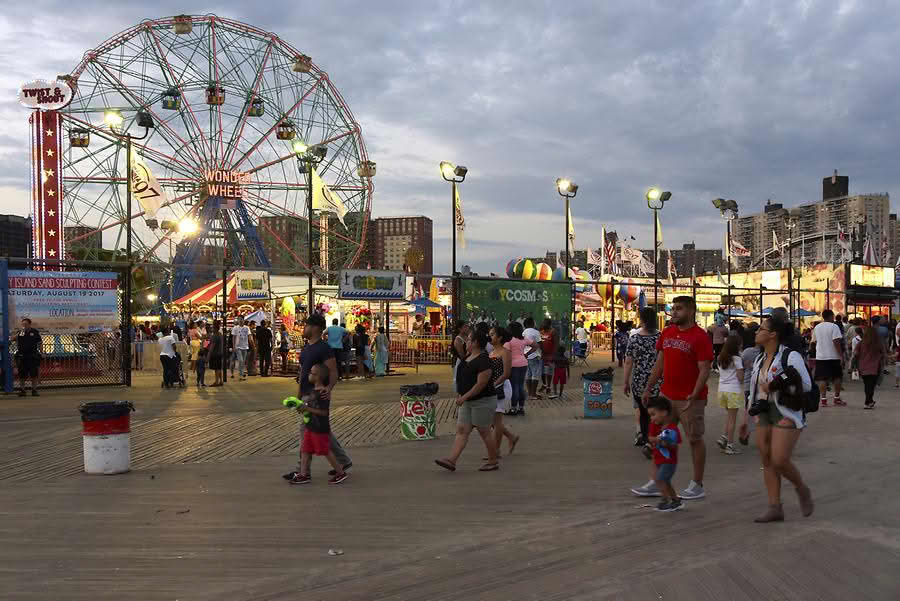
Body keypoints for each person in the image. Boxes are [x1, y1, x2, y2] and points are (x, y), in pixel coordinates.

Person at [636, 296, 713, 501]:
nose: (674, 312)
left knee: (694, 439)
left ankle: (697, 484)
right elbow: (660, 363)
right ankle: (657, 481)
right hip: (666, 396)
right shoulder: (668, 333)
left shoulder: (700, 336)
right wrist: (649, 388)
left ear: (691, 311)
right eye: (673, 308)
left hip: (690, 399)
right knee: (661, 439)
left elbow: (705, 368)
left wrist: (695, 394)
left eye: (679, 309)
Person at [748, 313, 814, 523]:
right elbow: (753, 388)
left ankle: (801, 488)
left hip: (786, 411)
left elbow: (806, 384)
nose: (757, 332)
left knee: (779, 459)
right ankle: (774, 506)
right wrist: (746, 417)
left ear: (773, 334)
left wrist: (775, 384)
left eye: (761, 329)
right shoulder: (759, 358)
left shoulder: (790, 356)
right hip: (764, 410)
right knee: (766, 459)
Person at [283, 313, 352, 480]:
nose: (303, 328)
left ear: (314, 328)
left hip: (316, 397)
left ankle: (303, 471)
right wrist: (299, 394)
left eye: (306, 325)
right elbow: (303, 372)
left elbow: (334, 371)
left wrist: (328, 388)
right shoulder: (307, 348)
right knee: (321, 430)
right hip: (306, 394)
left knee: (306, 431)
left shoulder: (324, 348)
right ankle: (343, 460)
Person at [434, 329, 500, 472]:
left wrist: (464, 396)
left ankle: (493, 460)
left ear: (475, 343)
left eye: (469, 340)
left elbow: (481, 384)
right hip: (467, 401)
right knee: (462, 430)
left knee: (484, 431)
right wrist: (461, 395)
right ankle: (452, 460)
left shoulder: (484, 360)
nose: (466, 342)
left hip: (483, 401)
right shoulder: (467, 358)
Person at [287, 364, 349, 485]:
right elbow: (308, 407)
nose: (309, 374)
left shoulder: (322, 393)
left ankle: (340, 472)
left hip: (320, 428)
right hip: (310, 427)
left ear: (318, 377)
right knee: (305, 450)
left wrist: (307, 409)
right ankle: (303, 475)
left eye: (312, 373)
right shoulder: (312, 391)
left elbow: (323, 412)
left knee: (325, 451)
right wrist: (302, 407)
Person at [624, 307, 661, 451]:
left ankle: (646, 438)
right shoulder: (660, 337)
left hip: (639, 381)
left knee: (644, 411)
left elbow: (628, 362)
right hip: (657, 381)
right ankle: (654, 439)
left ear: (642, 319)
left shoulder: (634, 338)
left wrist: (626, 381)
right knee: (657, 411)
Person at [641, 397, 684, 512]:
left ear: (664, 413)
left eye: (653, 414)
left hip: (669, 461)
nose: (651, 418)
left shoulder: (672, 429)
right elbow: (650, 438)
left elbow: (675, 446)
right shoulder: (654, 425)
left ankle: (665, 500)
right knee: (665, 481)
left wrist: (666, 443)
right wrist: (657, 439)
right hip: (659, 460)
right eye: (650, 415)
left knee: (661, 479)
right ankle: (675, 500)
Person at [489, 325, 519, 456]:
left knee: (497, 421)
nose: (490, 337)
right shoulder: (491, 352)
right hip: (493, 387)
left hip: (502, 388)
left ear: (500, 338)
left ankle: (496, 451)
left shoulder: (505, 352)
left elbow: (506, 374)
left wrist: (494, 384)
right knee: (493, 421)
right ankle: (511, 437)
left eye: (492, 334)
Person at [715, 334, 745, 455]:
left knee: (729, 416)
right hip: (733, 390)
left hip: (722, 390)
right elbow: (741, 377)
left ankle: (724, 437)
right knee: (733, 419)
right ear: (736, 345)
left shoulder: (719, 357)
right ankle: (730, 445)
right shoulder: (737, 359)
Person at [810, 309, 844, 407]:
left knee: (822, 378)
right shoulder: (834, 326)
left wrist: (822, 348)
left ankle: (823, 400)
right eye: (833, 316)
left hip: (821, 357)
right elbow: (836, 342)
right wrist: (841, 356)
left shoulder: (817, 327)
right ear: (830, 316)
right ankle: (836, 398)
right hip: (834, 356)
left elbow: (814, 341)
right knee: (837, 377)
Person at [853, 325, 886, 409]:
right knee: (871, 385)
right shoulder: (878, 343)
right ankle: (867, 402)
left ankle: (870, 401)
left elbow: (855, 353)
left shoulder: (861, 342)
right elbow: (883, 354)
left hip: (863, 367)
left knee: (867, 385)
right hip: (875, 367)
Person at [738, 326, 761, 446]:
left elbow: (740, 366)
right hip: (761, 386)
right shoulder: (765, 352)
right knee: (761, 411)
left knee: (749, 411)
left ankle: (746, 433)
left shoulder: (747, 352)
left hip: (748, 385)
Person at [504, 321, 528, 415]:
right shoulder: (523, 340)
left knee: (515, 386)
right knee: (521, 386)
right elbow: (535, 345)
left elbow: (506, 353)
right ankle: (521, 408)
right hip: (523, 363)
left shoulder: (509, 341)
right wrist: (526, 354)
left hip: (513, 365)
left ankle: (513, 408)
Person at [14, 318, 42, 397]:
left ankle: (34, 390)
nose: (24, 326)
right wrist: (19, 333)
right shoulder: (20, 332)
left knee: (34, 374)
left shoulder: (35, 332)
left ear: (29, 324)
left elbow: (40, 343)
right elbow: (12, 339)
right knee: (22, 375)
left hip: (32, 356)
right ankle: (23, 390)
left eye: (25, 324)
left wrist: (42, 353)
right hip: (22, 356)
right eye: (23, 324)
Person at [522, 317, 543, 403]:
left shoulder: (523, 332)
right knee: (535, 375)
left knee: (528, 374)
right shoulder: (536, 332)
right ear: (532, 323)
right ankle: (533, 394)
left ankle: (530, 393)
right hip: (534, 355)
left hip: (525, 356)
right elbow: (539, 344)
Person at [539, 318, 558, 395]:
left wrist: (554, 355)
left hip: (550, 355)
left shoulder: (553, 332)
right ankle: (544, 384)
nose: (544, 326)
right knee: (541, 371)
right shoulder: (541, 331)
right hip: (542, 355)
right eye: (543, 324)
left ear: (549, 325)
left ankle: (548, 386)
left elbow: (556, 344)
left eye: (545, 325)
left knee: (548, 371)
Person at [450, 321, 470, 385]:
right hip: (462, 363)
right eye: (465, 327)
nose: (467, 328)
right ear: (460, 329)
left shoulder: (467, 337)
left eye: (467, 326)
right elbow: (462, 356)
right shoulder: (458, 340)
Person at [208, 320, 224, 387]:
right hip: (220, 353)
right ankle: (221, 381)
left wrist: (208, 355)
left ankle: (216, 381)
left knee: (216, 368)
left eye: (213, 328)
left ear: (215, 328)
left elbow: (212, 346)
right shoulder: (220, 334)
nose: (212, 329)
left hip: (215, 354)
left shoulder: (215, 336)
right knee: (219, 368)